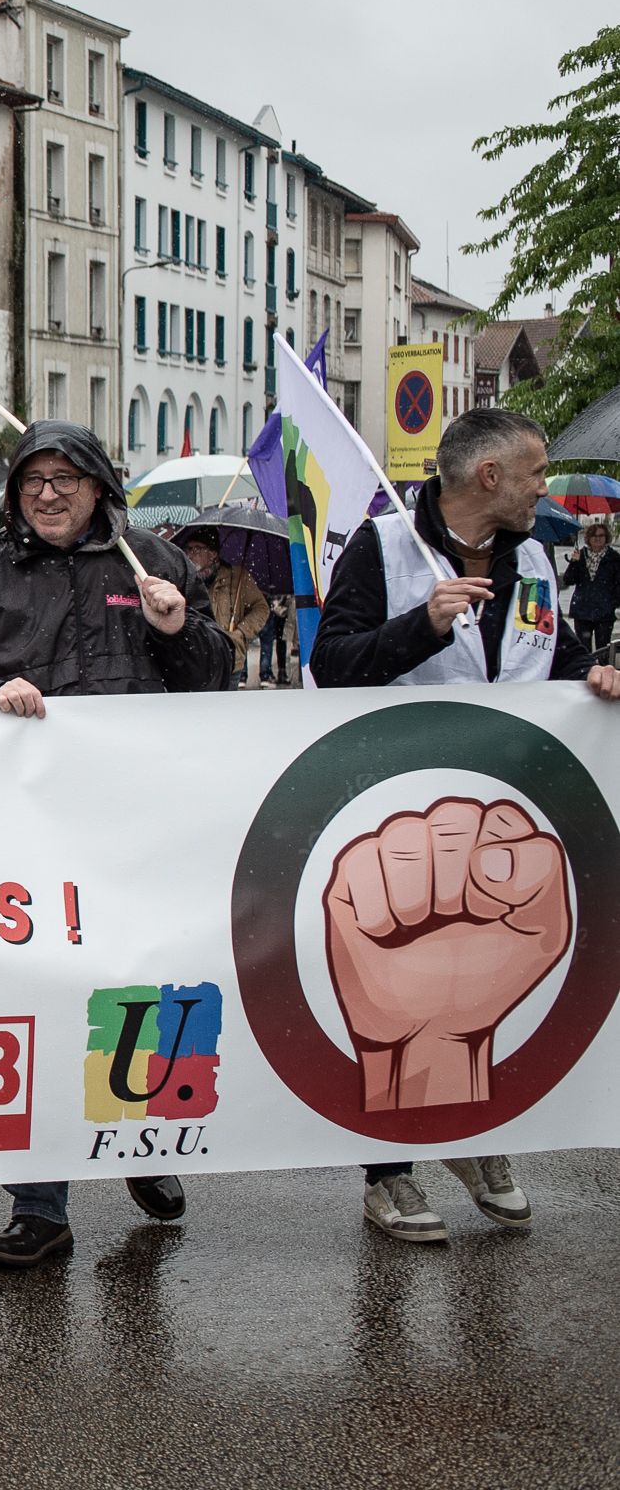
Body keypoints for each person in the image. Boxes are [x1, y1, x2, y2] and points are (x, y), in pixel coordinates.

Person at [0, 421, 233, 1267]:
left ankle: (145, 1146)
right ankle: (39, 1206)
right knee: (42, 1002)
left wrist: (177, 628)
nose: (47, 494)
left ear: (99, 485)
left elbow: (216, 682)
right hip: (26, 830)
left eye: (66, 477)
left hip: (137, 824)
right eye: (31, 480)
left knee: (147, 988)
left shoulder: (153, 561)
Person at [306, 408, 620, 1242]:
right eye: (536, 472)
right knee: (395, 983)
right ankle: (389, 1175)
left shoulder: (537, 557)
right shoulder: (384, 547)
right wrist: (425, 624)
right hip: (395, 804)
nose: (544, 487)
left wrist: (594, 673)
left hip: (504, 801)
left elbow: (547, 656)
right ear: (489, 478)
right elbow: (330, 664)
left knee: (483, 979)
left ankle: (479, 1137)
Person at [180, 528, 270, 686]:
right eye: (188, 549)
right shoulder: (186, 579)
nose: (191, 554)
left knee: (225, 708)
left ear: (213, 553)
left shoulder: (238, 578)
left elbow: (261, 608)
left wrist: (241, 632)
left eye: (197, 549)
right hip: (195, 660)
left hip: (230, 659)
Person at [565, 518, 615, 663]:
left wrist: (612, 602)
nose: (598, 539)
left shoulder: (614, 558)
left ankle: (603, 676)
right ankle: (584, 675)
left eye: (601, 536)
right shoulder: (581, 555)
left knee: (603, 649)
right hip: (582, 610)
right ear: (588, 538)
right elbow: (569, 580)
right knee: (583, 650)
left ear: (606, 538)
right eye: (594, 536)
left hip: (604, 612)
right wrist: (574, 562)